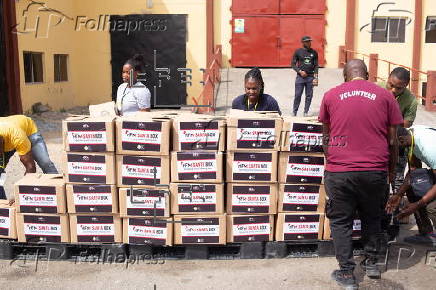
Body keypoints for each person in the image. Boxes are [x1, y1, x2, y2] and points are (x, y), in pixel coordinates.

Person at [319, 59, 403, 289]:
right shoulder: (386, 96)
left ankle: (346, 273)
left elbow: (325, 136)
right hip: (375, 170)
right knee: (373, 217)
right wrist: (391, 171)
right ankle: (371, 263)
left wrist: (333, 163)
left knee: (341, 221)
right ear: (366, 74)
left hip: (340, 171)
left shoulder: (330, 95)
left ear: (345, 76)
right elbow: (393, 140)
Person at [386, 126, 436, 246]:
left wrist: (418, 204)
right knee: (413, 187)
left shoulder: (429, 147)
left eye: (393, 147)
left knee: (431, 207)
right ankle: (426, 233)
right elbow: (413, 173)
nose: (392, 150)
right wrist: (398, 195)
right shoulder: (410, 137)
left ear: (401, 140)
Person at [0, 115, 58, 200]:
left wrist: (21, 194)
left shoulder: (18, 137)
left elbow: (31, 167)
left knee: (45, 162)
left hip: (29, 132)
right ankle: (3, 205)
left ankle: (59, 189)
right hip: (9, 135)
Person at [380, 68, 418, 194]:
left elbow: (406, 124)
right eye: (391, 85)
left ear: (405, 86)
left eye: (398, 88)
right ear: (388, 78)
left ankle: (394, 208)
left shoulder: (411, 100)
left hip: (398, 144)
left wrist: (393, 107)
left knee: (396, 180)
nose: (393, 90)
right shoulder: (376, 89)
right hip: (377, 143)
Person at [291, 35, 319, 117]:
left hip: (310, 77)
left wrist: (316, 78)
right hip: (300, 77)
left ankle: (305, 112)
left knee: (309, 96)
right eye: (307, 41)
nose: (309, 43)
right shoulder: (298, 52)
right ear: (303, 43)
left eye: (310, 41)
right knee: (298, 95)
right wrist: (299, 71)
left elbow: (316, 66)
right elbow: (293, 64)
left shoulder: (314, 53)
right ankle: (294, 112)